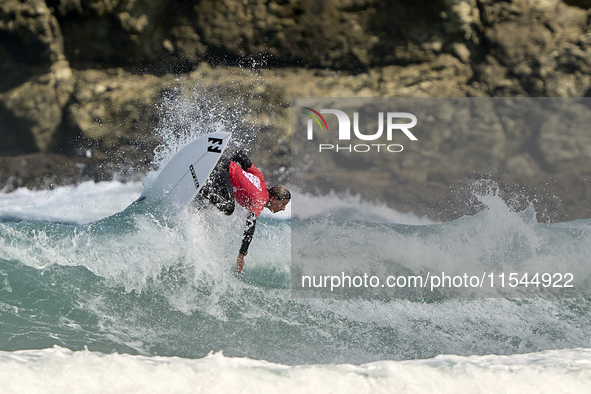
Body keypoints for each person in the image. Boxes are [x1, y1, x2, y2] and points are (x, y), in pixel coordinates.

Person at [197, 150, 290, 274]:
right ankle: (200, 187)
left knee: (215, 202)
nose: (283, 208)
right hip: (221, 168)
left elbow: (240, 155)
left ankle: (199, 194)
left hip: (220, 164)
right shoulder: (260, 200)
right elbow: (250, 224)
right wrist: (242, 254)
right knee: (228, 208)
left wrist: (229, 162)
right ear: (273, 199)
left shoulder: (261, 179)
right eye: (283, 204)